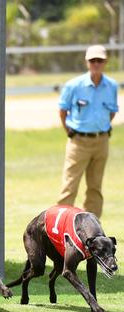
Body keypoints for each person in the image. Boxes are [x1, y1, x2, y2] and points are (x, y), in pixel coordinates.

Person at [57, 45, 117, 218]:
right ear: (87, 62)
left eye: (99, 60)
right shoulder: (73, 86)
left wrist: (100, 128)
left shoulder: (111, 86)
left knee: (95, 188)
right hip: (78, 142)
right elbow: (63, 111)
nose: (96, 64)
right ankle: (60, 227)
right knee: (69, 187)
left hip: (102, 141)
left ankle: (92, 230)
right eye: (93, 60)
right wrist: (70, 132)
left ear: (105, 62)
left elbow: (112, 112)